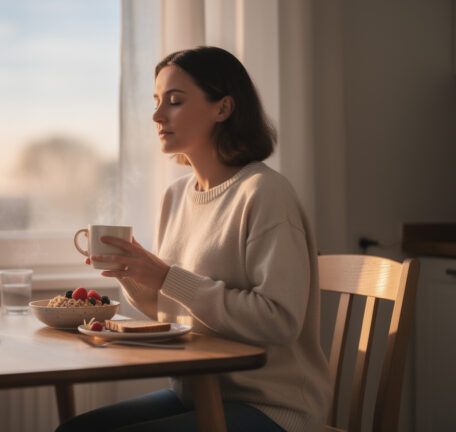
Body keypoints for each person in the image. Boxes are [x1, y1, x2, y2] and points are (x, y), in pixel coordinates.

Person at [56, 46, 330, 432]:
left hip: (272, 407)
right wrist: (131, 273)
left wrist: (169, 277)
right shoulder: (176, 196)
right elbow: (173, 311)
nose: (157, 115)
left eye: (174, 101)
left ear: (223, 108)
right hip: (199, 394)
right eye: (156, 101)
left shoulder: (264, 193)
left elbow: (279, 322)